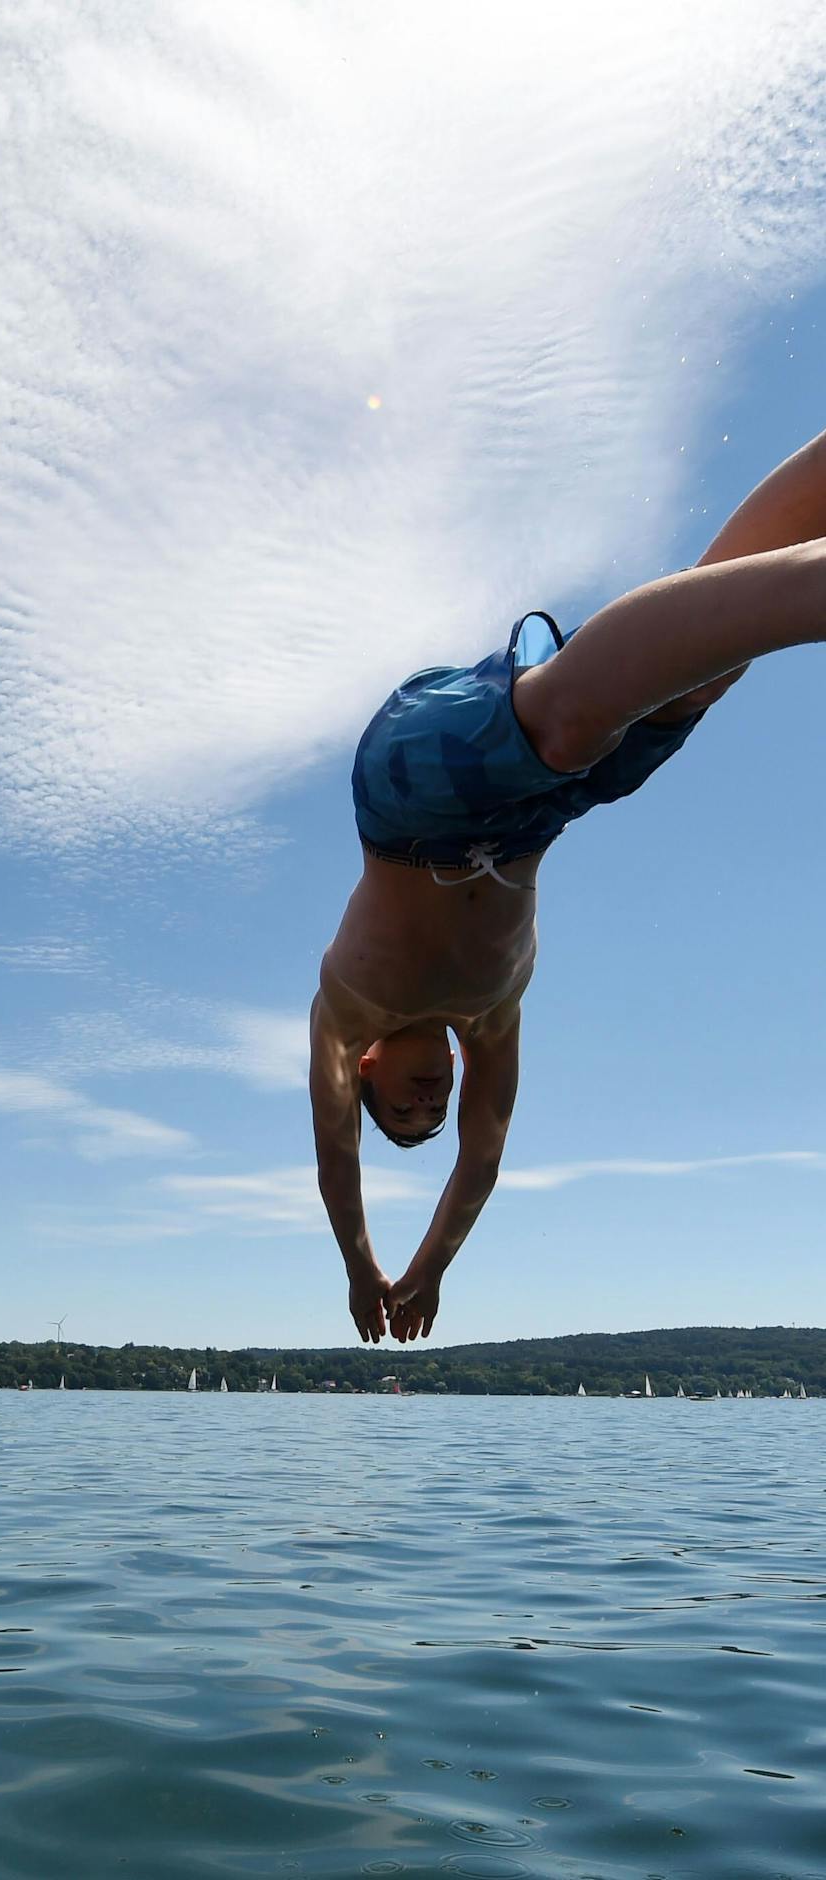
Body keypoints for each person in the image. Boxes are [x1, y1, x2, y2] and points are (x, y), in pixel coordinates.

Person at [313, 423, 826, 1345]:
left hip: (409, 799)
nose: (432, 1102)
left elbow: (336, 1156)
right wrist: (433, 1270)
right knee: (693, 683)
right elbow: (483, 1156)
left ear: (367, 1072)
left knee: (569, 724)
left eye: (407, 1106)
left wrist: (367, 1267)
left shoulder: (343, 1017)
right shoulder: (492, 1021)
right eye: (437, 1108)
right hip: (538, 813)